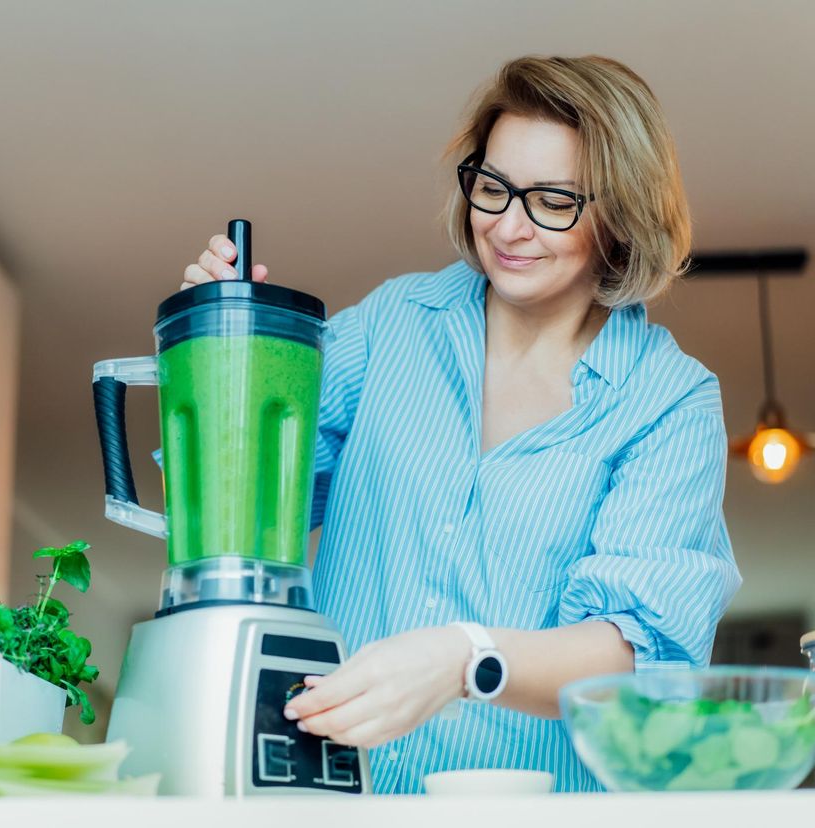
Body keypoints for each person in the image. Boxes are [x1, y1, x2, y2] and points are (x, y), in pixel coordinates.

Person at [181, 55, 741, 793]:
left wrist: (464, 658)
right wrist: (228, 353)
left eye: (552, 200)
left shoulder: (668, 402)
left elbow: (635, 655)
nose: (508, 225)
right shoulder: (390, 325)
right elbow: (242, 502)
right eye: (494, 187)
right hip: (335, 794)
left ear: (621, 216)